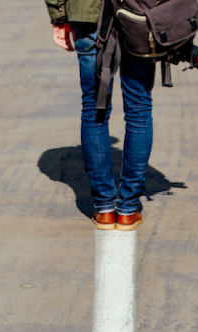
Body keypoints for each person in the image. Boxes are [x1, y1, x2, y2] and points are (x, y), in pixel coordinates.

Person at [47, 0, 155, 231]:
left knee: (94, 108)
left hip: (87, 15)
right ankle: (127, 209)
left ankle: (105, 208)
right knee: (139, 109)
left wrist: (59, 16)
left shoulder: (50, 154)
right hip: (139, 13)